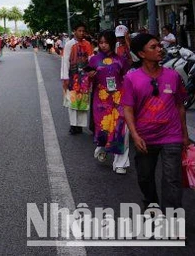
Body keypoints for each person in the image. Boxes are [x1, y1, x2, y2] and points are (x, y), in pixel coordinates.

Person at [122, 33, 189, 211]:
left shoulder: (173, 76)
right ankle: (151, 205)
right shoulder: (132, 78)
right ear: (142, 54)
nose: (160, 49)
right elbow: (127, 108)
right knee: (145, 177)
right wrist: (135, 135)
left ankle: (172, 220)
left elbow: (180, 106)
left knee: (172, 179)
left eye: (160, 45)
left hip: (171, 135)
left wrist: (185, 135)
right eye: (154, 47)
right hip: (145, 137)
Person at [88, 30, 130, 174]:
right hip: (101, 100)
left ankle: (120, 163)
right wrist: (90, 76)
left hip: (119, 99)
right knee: (104, 128)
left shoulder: (121, 60)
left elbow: (127, 79)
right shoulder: (93, 60)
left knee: (121, 129)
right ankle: (103, 147)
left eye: (106, 42)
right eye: (101, 42)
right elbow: (86, 80)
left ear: (112, 42)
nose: (103, 45)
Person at [61, 23, 93, 135]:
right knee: (73, 101)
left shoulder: (88, 44)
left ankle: (80, 125)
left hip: (84, 78)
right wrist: (65, 77)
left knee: (83, 101)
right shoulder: (69, 44)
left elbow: (91, 59)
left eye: (83, 31)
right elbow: (65, 61)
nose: (81, 33)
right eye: (79, 31)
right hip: (73, 77)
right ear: (74, 31)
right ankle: (73, 125)